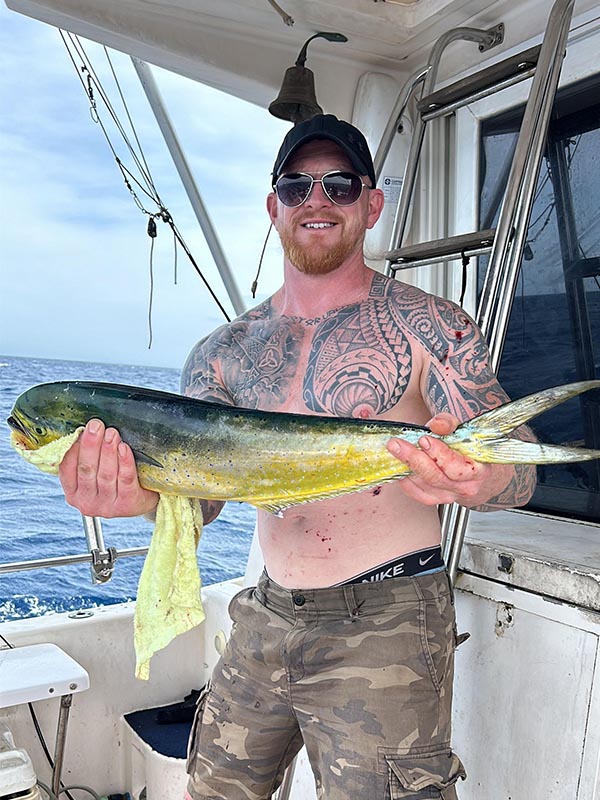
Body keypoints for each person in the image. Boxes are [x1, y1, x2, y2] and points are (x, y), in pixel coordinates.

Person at [58, 114, 536, 800]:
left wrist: (478, 478)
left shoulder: (432, 327)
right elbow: (201, 501)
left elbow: (519, 472)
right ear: (273, 206)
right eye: (296, 186)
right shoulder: (221, 353)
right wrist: (139, 499)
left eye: (339, 185)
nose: (317, 200)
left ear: (371, 204)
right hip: (266, 609)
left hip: (387, 614)